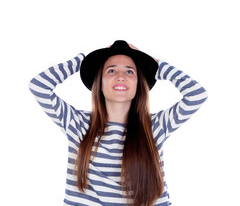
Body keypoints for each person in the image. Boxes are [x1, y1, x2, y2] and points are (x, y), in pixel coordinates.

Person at [29, 40, 208, 206]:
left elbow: (197, 94)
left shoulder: (154, 126)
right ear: (99, 83)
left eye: (129, 71)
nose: (121, 76)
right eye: (111, 70)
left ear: (139, 84)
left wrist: (156, 63)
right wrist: (83, 60)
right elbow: (39, 85)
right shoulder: (78, 123)